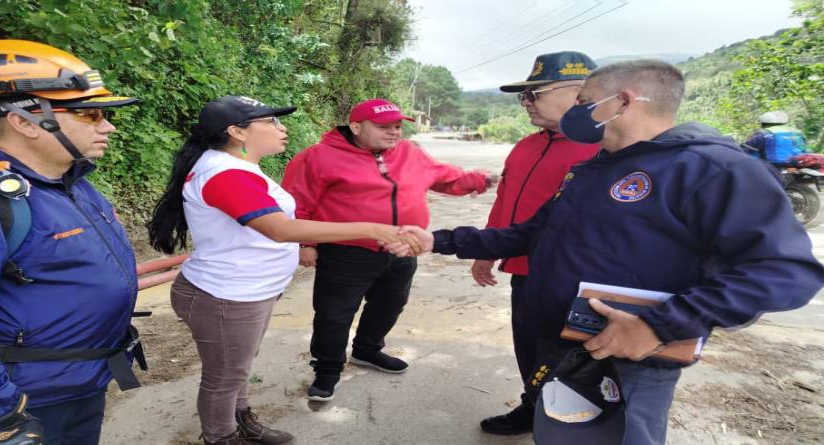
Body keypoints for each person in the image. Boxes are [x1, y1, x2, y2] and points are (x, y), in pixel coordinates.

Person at [389, 60, 824, 444]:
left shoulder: (714, 170)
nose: (578, 112)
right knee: (561, 430)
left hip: (628, 353)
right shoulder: (593, 169)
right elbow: (529, 234)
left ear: (625, 101)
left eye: (584, 101)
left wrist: (659, 325)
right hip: (561, 338)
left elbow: (784, 272)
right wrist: (439, 240)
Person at [146, 96, 419, 445]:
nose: (281, 127)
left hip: (245, 291)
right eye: (271, 122)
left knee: (238, 368)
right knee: (225, 376)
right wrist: (371, 228)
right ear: (237, 132)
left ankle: (242, 420)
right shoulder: (226, 174)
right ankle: (221, 437)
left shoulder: (237, 165)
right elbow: (280, 229)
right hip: (226, 296)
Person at [0, 40, 143, 444]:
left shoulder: (69, 183)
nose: (107, 126)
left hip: (78, 386)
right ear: (23, 120)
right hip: (16, 405)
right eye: (90, 114)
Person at [281, 98, 494, 402]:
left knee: (390, 304)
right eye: (384, 126)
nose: (394, 132)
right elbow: (298, 202)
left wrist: (482, 179)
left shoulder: (409, 153)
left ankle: (367, 350)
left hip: (402, 249)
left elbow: (444, 176)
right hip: (346, 252)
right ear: (356, 126)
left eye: (397, 126)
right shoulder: (318, 157)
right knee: (334, 315)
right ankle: (327, 370)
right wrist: (305, 244)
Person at [474, 50, 601, 436]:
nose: (526, 103)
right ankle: (533, 407)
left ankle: (576, 425)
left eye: (534, 94)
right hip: (527, 274)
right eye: (523, 96)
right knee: (530, 347)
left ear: (578, 91)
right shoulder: (527, 146)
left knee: (576, 359)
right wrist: (486, 250)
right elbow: (505, 201)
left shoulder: (606, 150)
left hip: (578, 281)